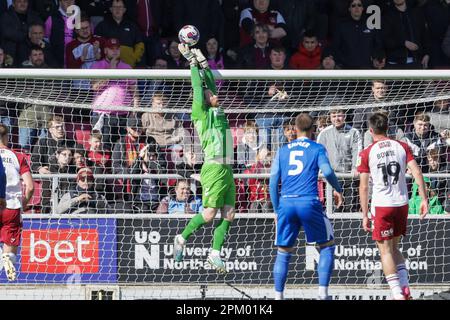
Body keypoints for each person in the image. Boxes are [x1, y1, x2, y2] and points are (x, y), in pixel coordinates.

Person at [173, 45, 235, 274]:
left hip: (227, 169)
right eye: (209, 94)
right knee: (209, 214)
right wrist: (191, 63)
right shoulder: (200, 112)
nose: (213, 93)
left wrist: (204, 63)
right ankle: (181, 237)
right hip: (214, 166)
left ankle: (215, 254)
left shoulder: (218, 109)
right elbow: (199, 87)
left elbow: (209, 83)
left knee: (229, 213)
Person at [269, 113, 343, 300]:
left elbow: (272, 182)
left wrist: (277, 209)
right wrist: (338, 188)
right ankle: (323, 294)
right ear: (313, 130)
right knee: (326, 246)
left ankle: (278, 296)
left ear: (295, 129)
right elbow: (326, 171)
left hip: (286, 202)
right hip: (308, 201)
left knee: (283, 251)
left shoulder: (283, 150)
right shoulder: (317, 148)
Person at [358, 112, 428, 300]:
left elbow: (364, 186)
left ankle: (397, 294)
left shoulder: (366, 153)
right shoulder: (402, 146)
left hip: (382, 205)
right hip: (401, 204)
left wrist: (365, 214)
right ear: (388, 128)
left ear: (370, 130)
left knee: (385, 251)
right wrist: (424, 200)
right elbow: (417, 172)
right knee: (395, 247)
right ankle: (405, 289)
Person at [0, 124, 34, 281]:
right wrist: (24, 203)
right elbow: (31, 187)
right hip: (12, 206)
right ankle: (7, 257)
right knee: (10, 247)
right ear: (7, 137)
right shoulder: (18, 156)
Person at [317, 108, 362, 212]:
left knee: (351, 211)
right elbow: (319, 154)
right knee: (332, 211)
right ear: (330, 118)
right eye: (334, 116)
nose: (337, 119)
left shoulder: (354, 132)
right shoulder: (324, 133)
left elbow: (358, 151)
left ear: (344, 116)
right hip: (331, 178)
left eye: (339, 116)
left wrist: (355, 168)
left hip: (349, 177)